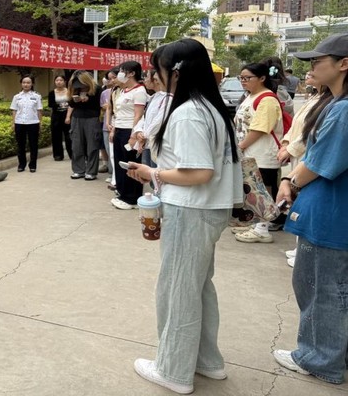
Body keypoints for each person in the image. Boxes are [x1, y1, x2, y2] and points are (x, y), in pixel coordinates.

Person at [127, 39, 241, 394]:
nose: (154, 76)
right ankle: (207, 361)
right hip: (207, 210)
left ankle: (173, 370)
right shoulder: (209, 107)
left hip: (191, 210)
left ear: (176, 72)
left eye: (157, 69)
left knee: (178, 290)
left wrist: (151, 173)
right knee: (197, 288)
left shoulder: (188, 112)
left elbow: (198, 172)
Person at [272, 32, 348, 384]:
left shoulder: (343, 110)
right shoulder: (334, 103)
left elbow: (318, 163)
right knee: (331, 288)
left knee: (321, 289)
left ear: (344, 64)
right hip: (331, 210)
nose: (312, 66)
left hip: (332, 214)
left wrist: (291, 181)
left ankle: (320, 359)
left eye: (318, 60)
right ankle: (332, 354)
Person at [231, 58, 285, 243]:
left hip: (263, 154)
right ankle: (255, 223)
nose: (243, 81)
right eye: (241, 77)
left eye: (247, 78)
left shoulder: (267, 99)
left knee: (263, 191)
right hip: (250, 152)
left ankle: (263, 228)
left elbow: (260, 128)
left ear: (262, 78)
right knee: (252, 190)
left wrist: (240, 146)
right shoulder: (250, 96)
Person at [277, 71, 320, 268]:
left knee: (304, 201)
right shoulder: (315, 97)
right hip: (299, 158)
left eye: (316, 64)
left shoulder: (333, 102)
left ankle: (304, 250)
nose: (310, 71)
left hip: (307, 159)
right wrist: (286, 143)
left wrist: (290, 149)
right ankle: (299, 247)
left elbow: (310, 134)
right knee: (298, 203)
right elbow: (296, 125)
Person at [109, 61, 147, 209]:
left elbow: (138, 115)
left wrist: (133, 135)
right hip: (119, 129)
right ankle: (122, 193)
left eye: (122, 71)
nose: (120, 74)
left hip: (129, 131)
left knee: (130, 164)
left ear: (131, 73)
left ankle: (132, 198)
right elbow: (117, 112)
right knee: (120, 163)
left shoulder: (140, 91)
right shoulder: (124, 90)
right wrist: (114, 130)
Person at [66, 70, 102, 180]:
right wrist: (75, 100)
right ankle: (78, 170)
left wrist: (88, 99)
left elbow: (100, 105)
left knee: (92, 145)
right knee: (76, 146)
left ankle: (91, 172)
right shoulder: (74, 88)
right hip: (77, 118)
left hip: (92, 118)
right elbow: (70, 103)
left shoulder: (97, 89)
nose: (81, 87)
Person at [132, 70, 171, 168]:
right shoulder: (153, 97)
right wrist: (139, 131)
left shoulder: (168, 98)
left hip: (157, 143)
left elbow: (159, 121)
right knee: (147, 172)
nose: (144, 80)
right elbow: (144, 118)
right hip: (147, 142)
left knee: (155, 172)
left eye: (147, 77)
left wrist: (144, 135)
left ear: (156, 80)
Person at [10, 74, 43, 172]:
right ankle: (21, 165)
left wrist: (40, 123)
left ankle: (32, 165)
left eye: (28, 82)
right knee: (20, 145)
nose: (26, 84)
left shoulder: (36, 96)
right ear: (21, 83)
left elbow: (39, 111)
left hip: (33, 123)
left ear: (32, 84)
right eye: (24, 82)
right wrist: (13, 123)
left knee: (33, 145)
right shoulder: (16, 97)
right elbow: (14, 110)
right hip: (19, 123)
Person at [48, 75, 73, 161]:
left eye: (61, 80)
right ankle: (58, 155)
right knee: (56, 136)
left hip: (68, 115)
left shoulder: (69, 91)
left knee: (69, 136)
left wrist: (68, 116)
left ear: (65, 82)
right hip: (56, 116)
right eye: (57, 80)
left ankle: (72, 153)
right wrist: (60, 105)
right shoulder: (52, 93)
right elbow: (51, 105)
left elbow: (72, 104)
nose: (59, 82)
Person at [100, 68, 119, 181]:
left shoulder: (124, 91)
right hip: (108, 125)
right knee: (109, 151)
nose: (111, 80)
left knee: (117, 152)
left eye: (114, 78)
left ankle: (117, 176)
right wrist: (107, 123)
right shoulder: (107, 92)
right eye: (109, 78)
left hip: (120, 125)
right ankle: (112, 174)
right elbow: (107, 108)